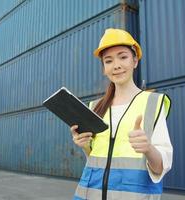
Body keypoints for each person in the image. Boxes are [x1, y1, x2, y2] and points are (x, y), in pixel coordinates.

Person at [70, 28, 173, 200]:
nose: (116, 65)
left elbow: (160, 167)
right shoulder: (95, 107)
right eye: (108, 61)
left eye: (123, 57)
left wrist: (148, 149)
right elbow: (96, 160)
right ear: (104, 68)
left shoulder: (153, 103)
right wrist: (85, 145)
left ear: (135, 61)